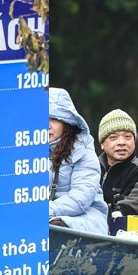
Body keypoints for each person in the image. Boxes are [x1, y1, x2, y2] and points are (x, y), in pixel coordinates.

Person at [49, 87, 109, 235]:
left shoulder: (83, 151)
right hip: (40, 216)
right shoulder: (24, 153)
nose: (47, 124)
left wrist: (42, 212)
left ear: (66, 123)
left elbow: (81, 199)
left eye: (54, 119)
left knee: (56, 228)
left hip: (84, 216)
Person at [97, 109, 138, 219]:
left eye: (127, 137)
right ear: (102, 144)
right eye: (113, 137)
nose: (121, 142)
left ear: (134, 141)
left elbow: (127, 208)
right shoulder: (91, 167)